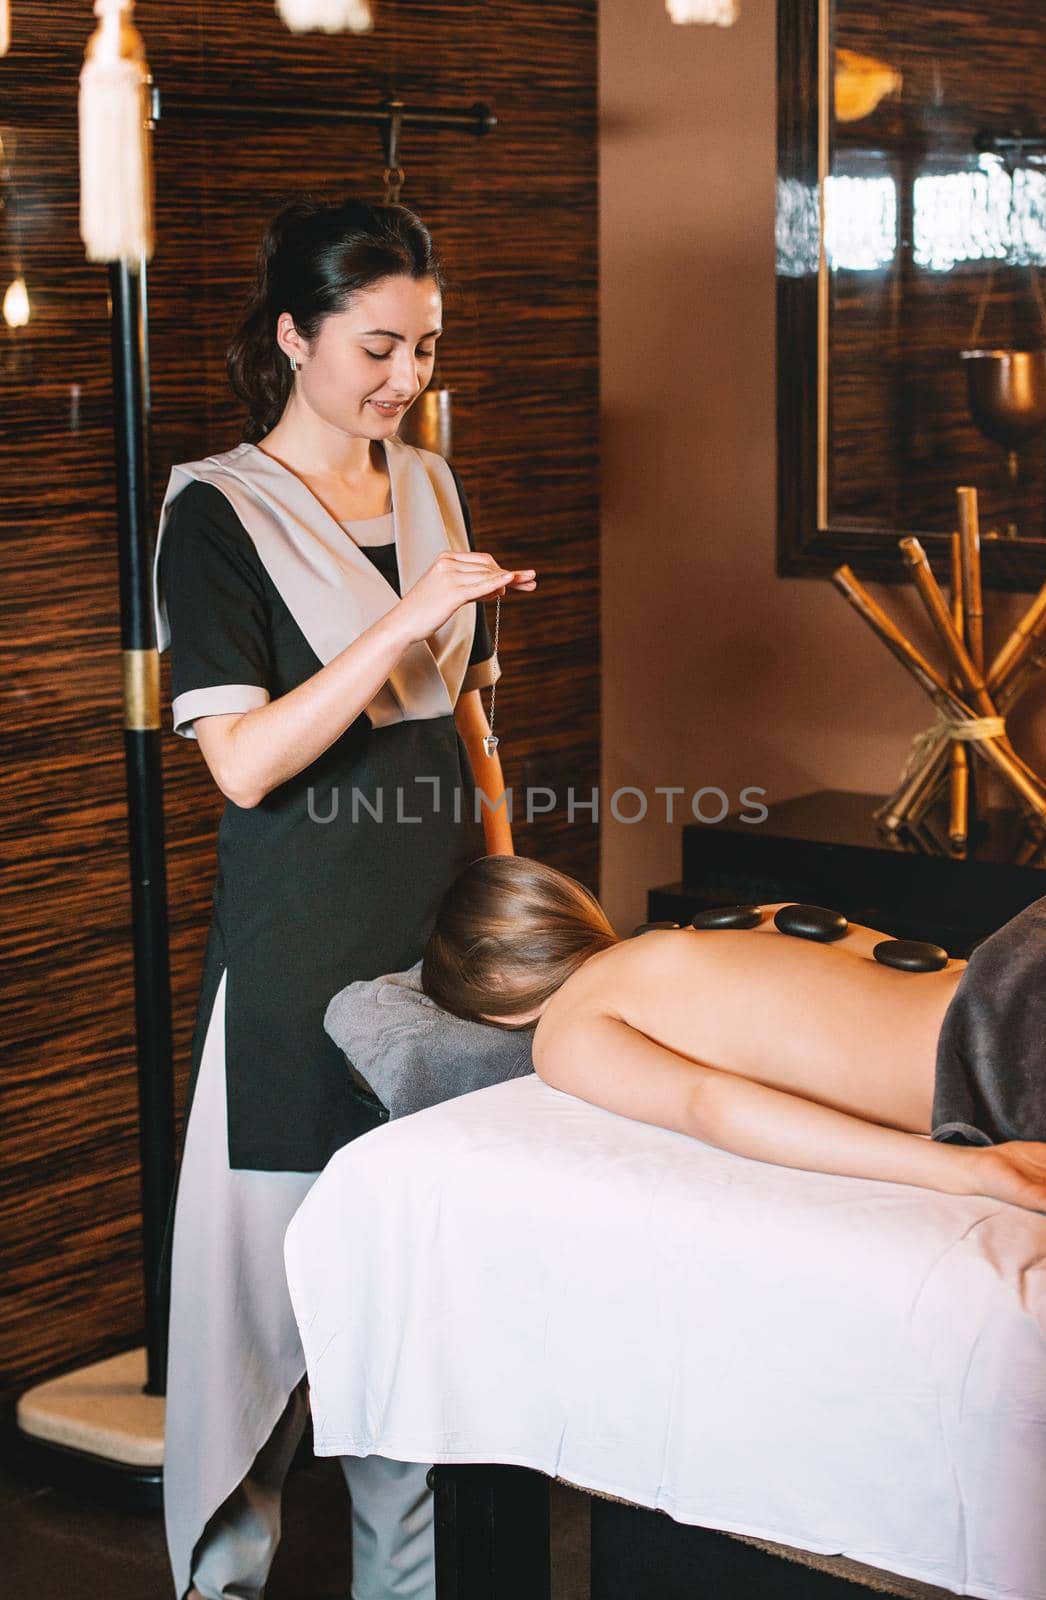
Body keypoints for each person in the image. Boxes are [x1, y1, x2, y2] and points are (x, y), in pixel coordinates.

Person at [153, 197, 535, 1600]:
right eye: (377, 347)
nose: (402, 380)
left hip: (434, 950)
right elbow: (243, 764)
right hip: (296, 955)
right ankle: (222, 1583)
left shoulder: (431, 485)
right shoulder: (216, 510)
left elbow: (470, 715)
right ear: (294, 337)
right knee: (255, 1326)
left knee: (409, 1327)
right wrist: (405, 615)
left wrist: (502, 879)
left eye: (424, 350)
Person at [421, 855, 1046, 1218]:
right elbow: (906, 956)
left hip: (1007, 1053)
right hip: (1029, 955)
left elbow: (712, 1106)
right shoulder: (723, 926)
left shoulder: (565, 1029)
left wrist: (966, 1168)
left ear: (495, 986)